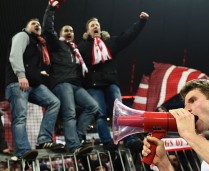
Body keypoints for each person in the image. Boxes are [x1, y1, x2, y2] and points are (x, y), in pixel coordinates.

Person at [78, 12, 149, 152]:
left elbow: (128, 36)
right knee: (100, 114)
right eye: (92, 25)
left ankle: (130, 140)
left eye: (97, 25)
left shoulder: (110, 43)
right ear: (88, 31)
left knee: (121, 112)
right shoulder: (82, 47)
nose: (95, 26)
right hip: (93, 85)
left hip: (111, 83)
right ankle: (107, 142)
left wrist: (141, 22)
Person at [42, 0, 98, 157]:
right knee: (70, 113)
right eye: (66, 30)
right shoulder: (57, 45)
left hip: (76, 84)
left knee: (93, 107)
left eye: (71, 31)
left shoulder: (75, 50)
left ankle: (77, 137)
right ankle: (73, 146)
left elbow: (91, 46)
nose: (69, 32)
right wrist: (51, 8)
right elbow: (47, 28)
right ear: (60, 34)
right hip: (62, 82)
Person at [5, 18, 64, 160]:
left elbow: (29, 63)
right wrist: (21, 75)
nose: (37, 25)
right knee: (20, 117)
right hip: (18, 83)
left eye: (38, 24)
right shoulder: (22, 36)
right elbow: (14, 56)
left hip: (32, 84)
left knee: (54, 102)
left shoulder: (38, 44)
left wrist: (38, 74)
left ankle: (43, 139)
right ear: (26, 27)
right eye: (33, 23)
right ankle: (23, 151)